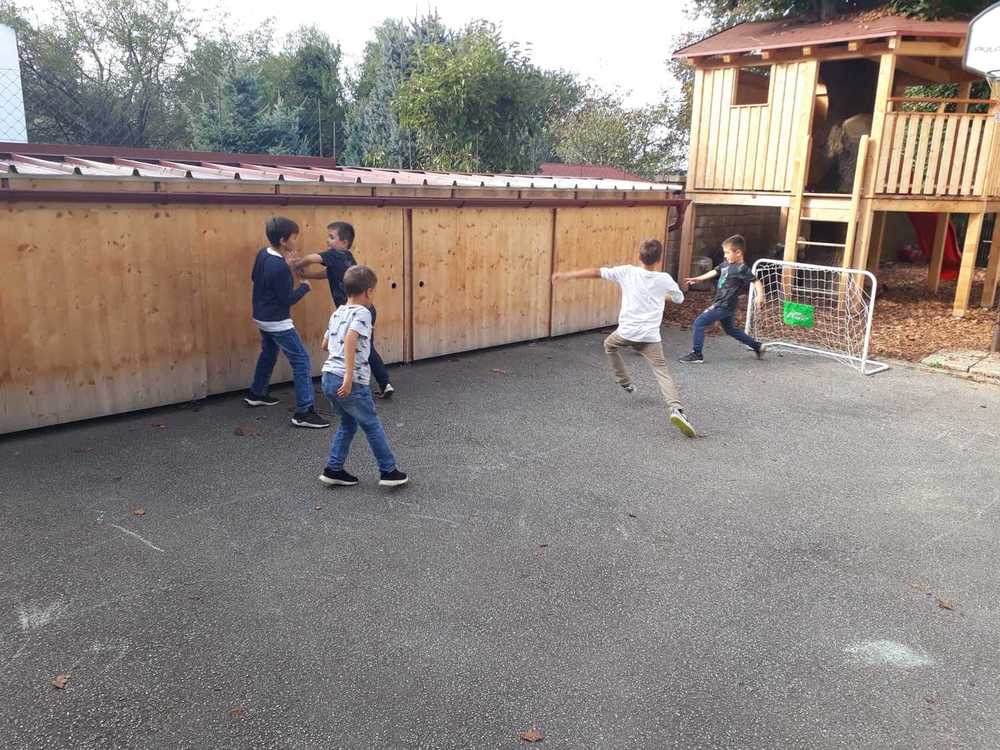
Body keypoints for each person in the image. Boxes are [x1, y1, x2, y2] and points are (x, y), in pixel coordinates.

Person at [552, 238, 696, 438]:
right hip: (650, 337)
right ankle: (677, 410)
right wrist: (660, 296)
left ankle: (624, 382)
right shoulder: (664, 279)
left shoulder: (627, 272)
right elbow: (679, 298)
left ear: (639, 256)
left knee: (609, 345)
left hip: (626, 333)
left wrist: (567, 275)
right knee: (662, 372)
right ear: (659, 259)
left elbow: (596, 272)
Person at [318, 265, 409, 488]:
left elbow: (325, 344)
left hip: (329, 376)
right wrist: (349, 376)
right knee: (371, 424)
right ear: (368, 291)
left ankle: (333, 469)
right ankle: (388, 471)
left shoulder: (338, 312)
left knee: (348, 423)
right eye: (374, 291)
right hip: (349, 380)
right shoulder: (363, 313)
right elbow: (351, 339)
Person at [245, 216, 329, 429]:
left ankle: (257, 393)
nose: (296, 241)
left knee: (269, 353)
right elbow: (287, 299)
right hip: (277, 321)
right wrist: (305, 287)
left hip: (261, 316)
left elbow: (256, 278)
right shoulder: (279, 267)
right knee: (301, 360)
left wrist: (287, 266)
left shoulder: (263, 254)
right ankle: (304, 412)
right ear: (283, 241)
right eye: (294, 237)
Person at [294, 222, 395, 399]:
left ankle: (349, 381)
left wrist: (295, 264)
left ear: (344, 242)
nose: (327, 241)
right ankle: (384, 383)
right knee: (367, 348)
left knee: (349, 345)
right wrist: (308, 275)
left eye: (331, 237)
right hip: (367, 310)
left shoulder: (334, 254)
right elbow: (329, 273)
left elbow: (311, 258)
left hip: (352, 313)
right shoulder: (347, 257)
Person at [679, 234, 765, 364]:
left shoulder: (742, 269)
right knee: (730, 329)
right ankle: (757, 346)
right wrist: (698, 278)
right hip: (727, 306)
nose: (725, 255)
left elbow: (756, 281)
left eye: (727, 252)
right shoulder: (726, 264)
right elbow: (715, 271)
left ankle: (697, 354)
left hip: (724, 305)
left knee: (699, 323)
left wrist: (760, 295)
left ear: (738, 252)